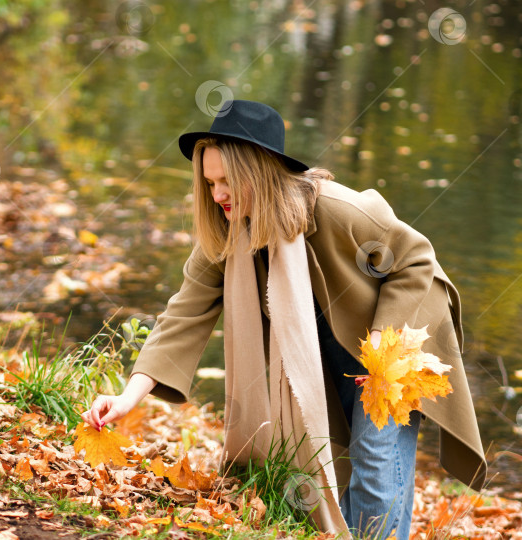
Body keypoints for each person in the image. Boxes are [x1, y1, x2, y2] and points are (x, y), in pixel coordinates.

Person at [82, 100, 487, 538]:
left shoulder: (338, 210)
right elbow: (184, 312)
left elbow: (416, 259)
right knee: (339, 465)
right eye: (210, 182)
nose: (217, 195)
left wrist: (381, 354)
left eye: (227, 181)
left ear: (259, 172)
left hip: (395, 337)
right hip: (327, 348)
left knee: (376, 457)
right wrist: (128, 397)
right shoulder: (227, 233)